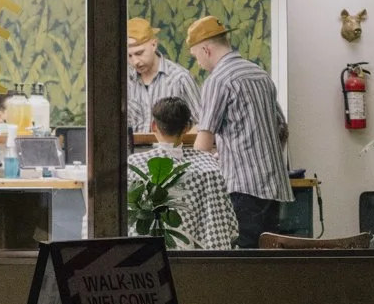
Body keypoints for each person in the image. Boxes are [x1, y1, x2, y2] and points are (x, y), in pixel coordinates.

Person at [186, 15, 292, 249]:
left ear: (206, 50)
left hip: (242, 190)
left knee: (243, 259)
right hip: (274, 187)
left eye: (196, 57)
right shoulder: (260, 75)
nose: (198, 63)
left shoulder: (219, 80)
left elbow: (204, 141)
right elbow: (282, 129)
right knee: (266, 258)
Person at [128, 95, 238, 251]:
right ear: (186, 127)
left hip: (147, 250)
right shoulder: (208, 167)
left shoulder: (134, 164)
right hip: (196, 254)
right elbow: (226, 223)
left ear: (154, 126)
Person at [124, 17, 201, 142]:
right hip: (133, 155)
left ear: (154, 44)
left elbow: (202, 125)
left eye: (139, 53)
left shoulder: (180, 79)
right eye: (129, 56)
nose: (135, 61)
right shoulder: (124, 81)